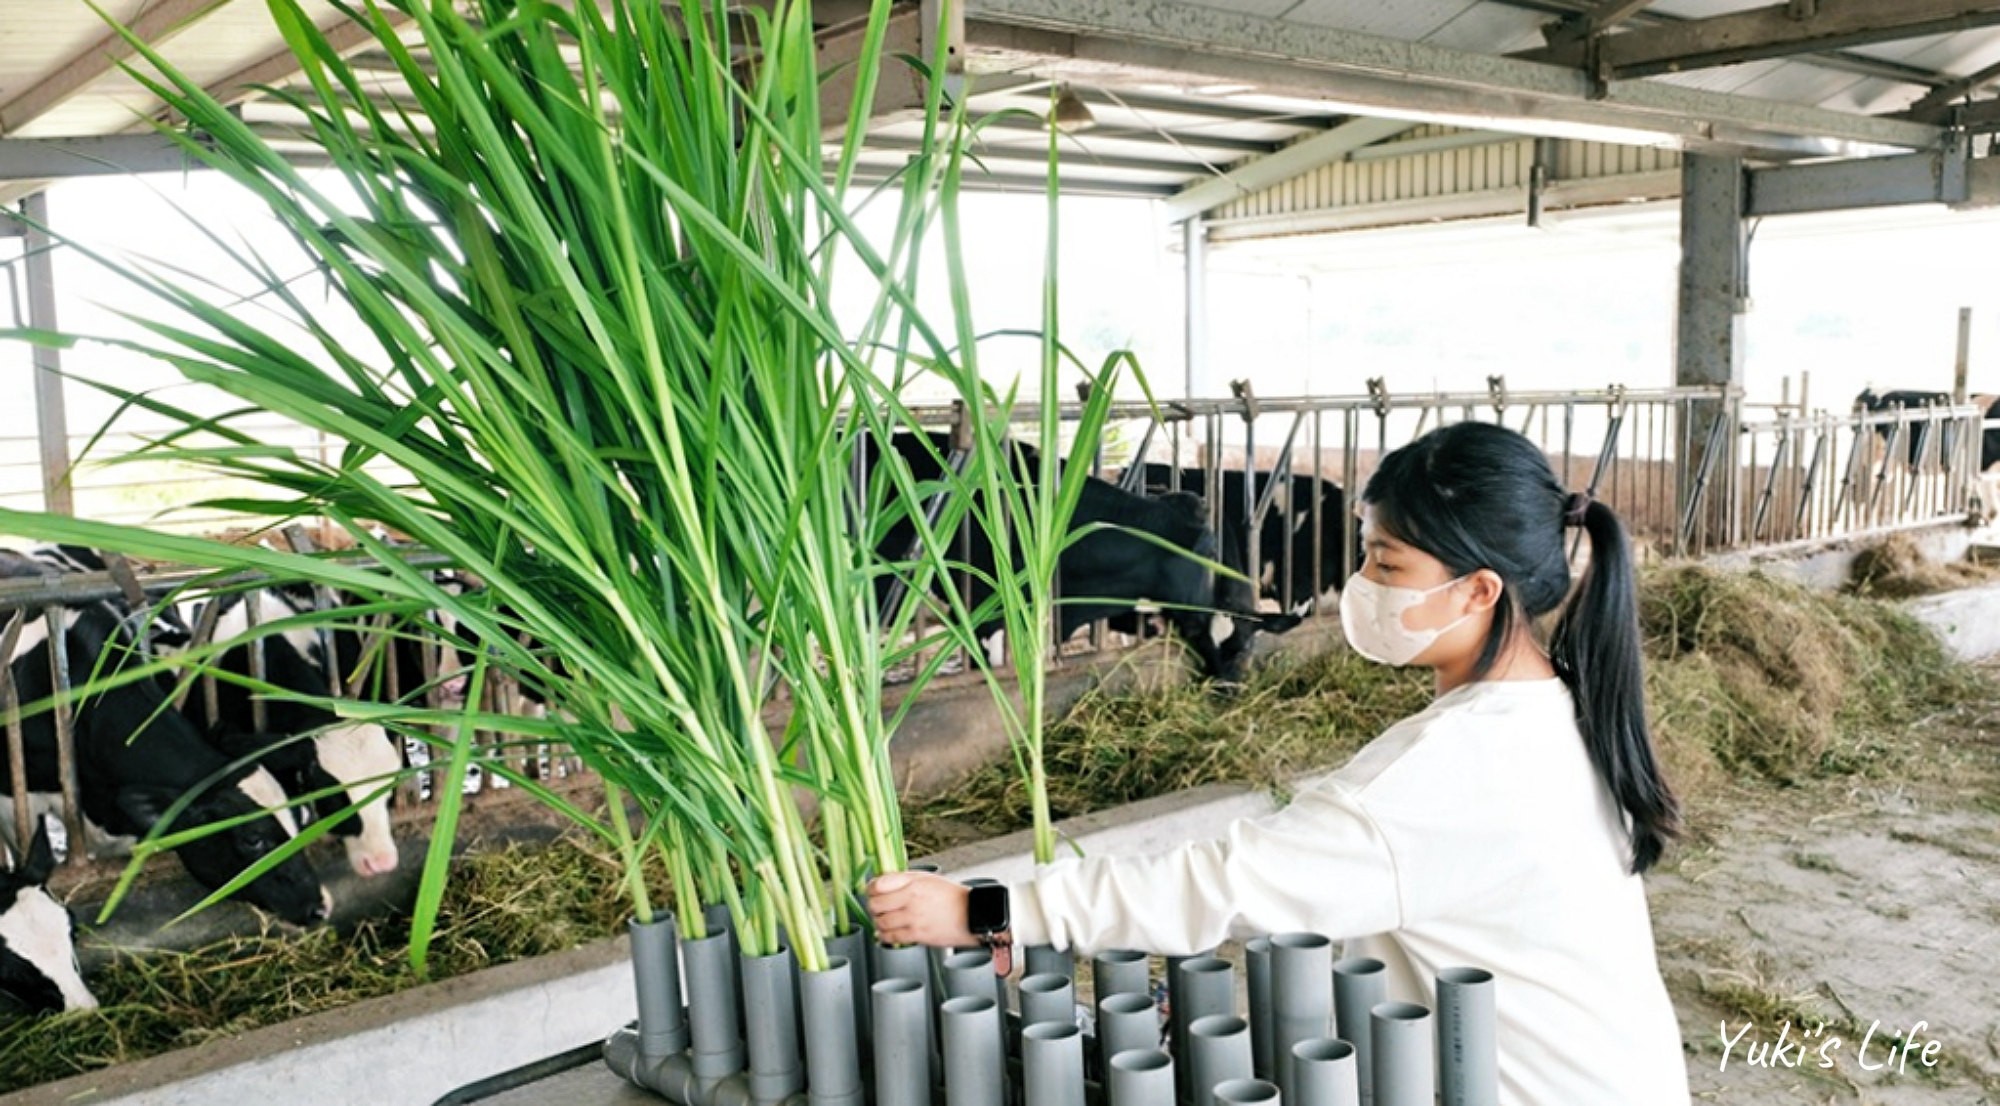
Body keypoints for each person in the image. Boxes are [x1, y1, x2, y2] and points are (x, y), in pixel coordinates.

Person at [867, 420, 1691, 1106]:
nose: (1360, 583)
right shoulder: (1561, 709)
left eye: (1388, 565)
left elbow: (1218, 887)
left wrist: (987, 908)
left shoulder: (1450, 769)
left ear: (1478, 591)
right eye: (1367, 554)